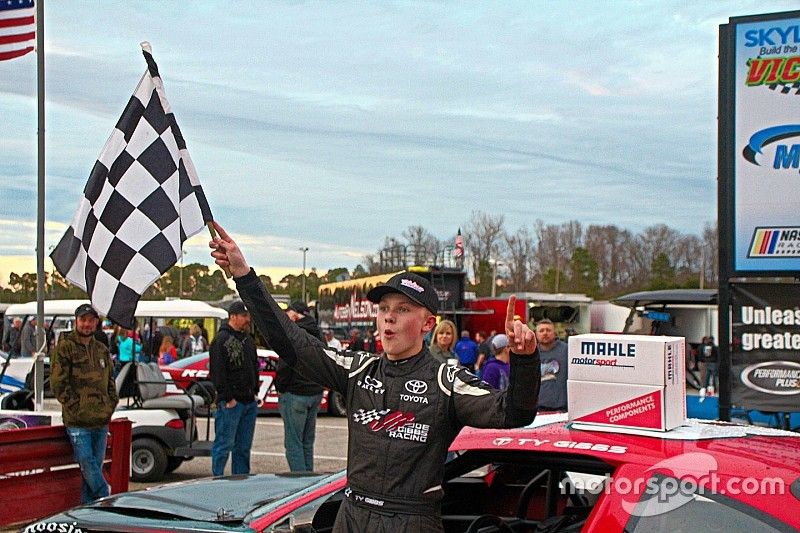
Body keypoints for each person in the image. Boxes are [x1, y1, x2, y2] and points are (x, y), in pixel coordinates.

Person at [209, 221, 541, 532]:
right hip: (352, 514)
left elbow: (514, 412)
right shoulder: (359, 369)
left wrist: (524, 360)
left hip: (412, 519)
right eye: (384, 309)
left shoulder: (446, 379)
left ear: (428, 324)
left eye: (402, 309)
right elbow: (291, 342)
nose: (389, 319)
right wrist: (244, 276)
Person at [49, 304, 118, 503]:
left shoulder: (101, 349)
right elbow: (57, 382)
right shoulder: (65, 347)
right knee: (86, 462)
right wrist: (74, 406)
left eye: (91, 320)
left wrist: (110, 405)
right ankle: (106, 495)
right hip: (78, 421)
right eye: (83, 320)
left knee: (95, 465)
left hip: (100, 419)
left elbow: (110, 380)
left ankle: (88, 511)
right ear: (76, 321)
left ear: (96, 323)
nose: (87, 324)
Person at [209, 301, 260, 476]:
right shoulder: (221, 340)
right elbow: (217, 372)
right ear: (233, 317)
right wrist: (228, 398)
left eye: (248, 316)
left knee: (243, 448)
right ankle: (217, 479)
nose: (248, 319)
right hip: (231, 404)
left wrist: (254, 392)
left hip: (248, 402)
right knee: (223, 445)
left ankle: (241, 481)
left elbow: (254, 365)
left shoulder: (248, 340)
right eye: (244, 316)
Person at [277, 300, 325, 472]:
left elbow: (285, 364)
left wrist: (281, 388)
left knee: (293, 443)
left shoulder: (293, 333)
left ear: (295, 315)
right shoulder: (318, 334)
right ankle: (309, 480)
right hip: (315, 392)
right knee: (307, 441)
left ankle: (300, 482)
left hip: (295, 392)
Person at [535, 319, 569, 412]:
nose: (545, 333)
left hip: (561, 408)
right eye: (541, 331)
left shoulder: (566, 350)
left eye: (548, 330)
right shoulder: (531, 354)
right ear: (536, 334)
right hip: (537, 408)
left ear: (555, 333)